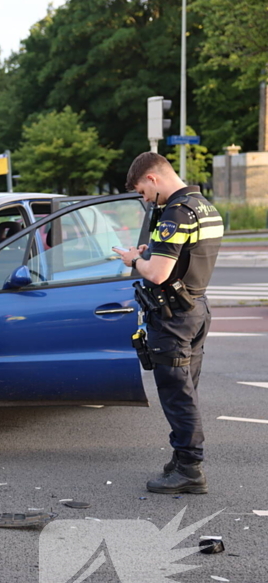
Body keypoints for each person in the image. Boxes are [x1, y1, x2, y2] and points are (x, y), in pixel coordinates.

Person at [112, 153, 222, 495]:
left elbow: (158, 274)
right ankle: (181, 458)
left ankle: (190, 468)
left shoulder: (175, 213)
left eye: (142, 191)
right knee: (186, 388)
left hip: (174, 317)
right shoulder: (204, 207)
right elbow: (185, 256)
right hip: (197, 308)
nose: (144, 199)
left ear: (153, 179)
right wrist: (154, 250)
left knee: (177, 393)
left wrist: (135, 259)